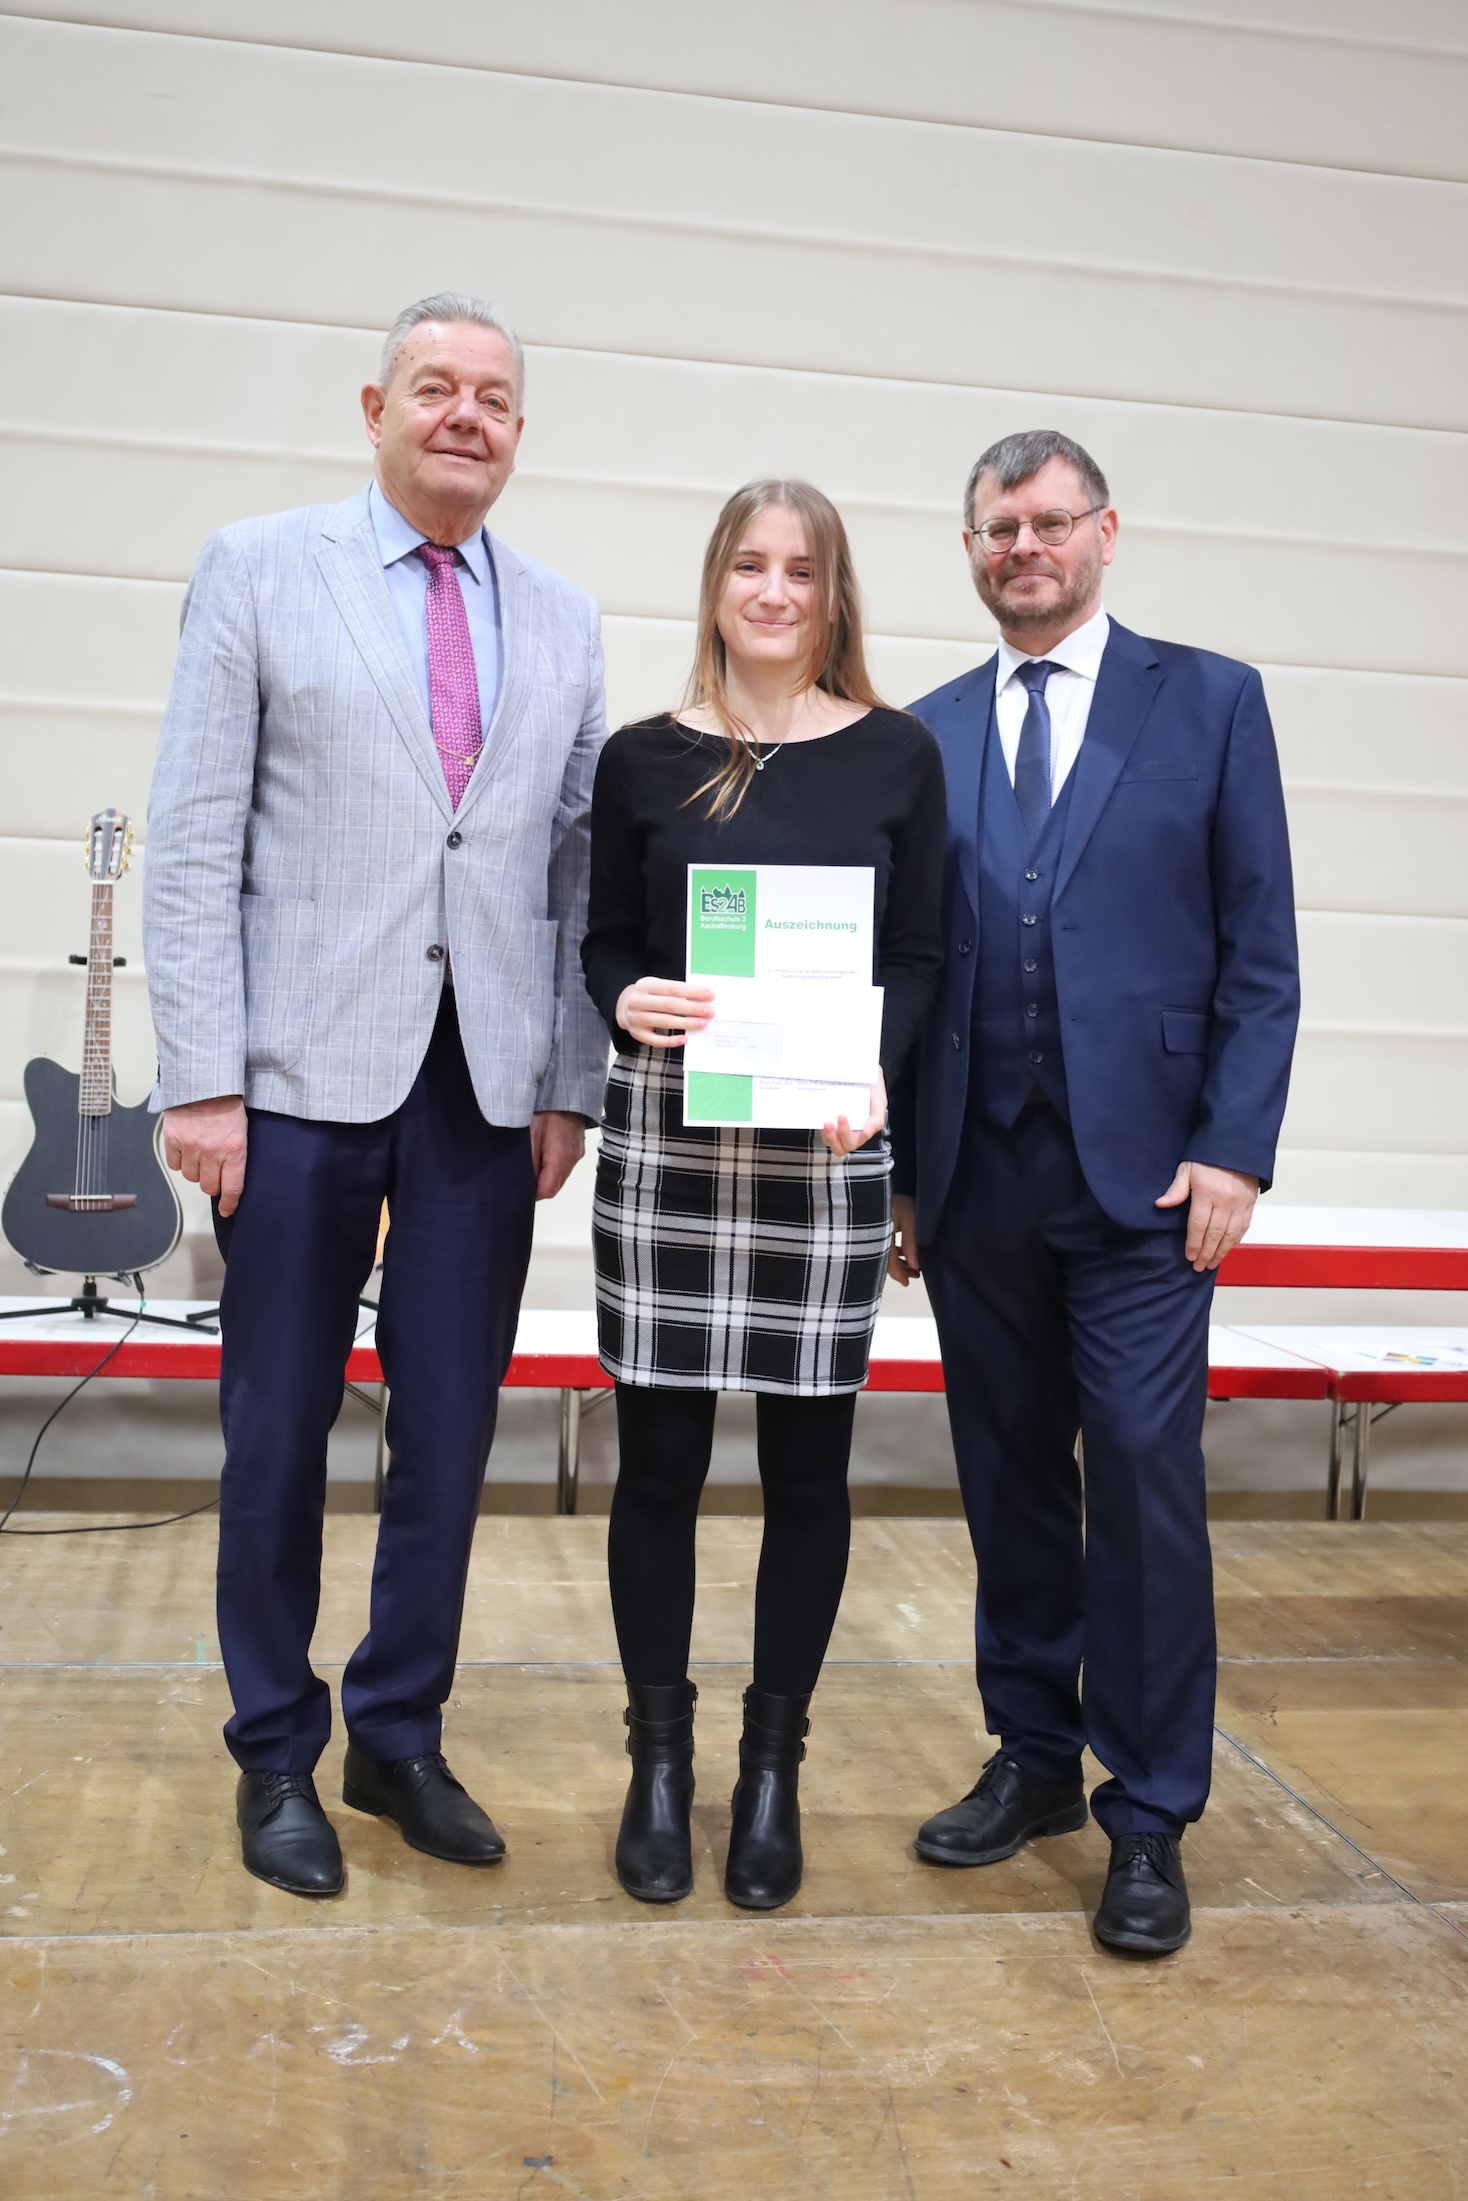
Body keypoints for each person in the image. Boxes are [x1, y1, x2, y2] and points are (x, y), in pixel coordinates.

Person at [144, 292, 608, 1898]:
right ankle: (275, 1747)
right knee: (276, 1426)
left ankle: (397, 1730)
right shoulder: (258, 567)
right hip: (292, 1082)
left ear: (519, 431)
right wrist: (202, 1081)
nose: (464, 414)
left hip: (484, 1088)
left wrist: (566, 1080)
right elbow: (193, 836)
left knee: (453, 1430)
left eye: (493, 395)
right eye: (435, 387)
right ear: (374, 407)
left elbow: (572, 870)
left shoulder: (565, 617)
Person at [889, 430, 1298, 1956]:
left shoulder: (1210, 701)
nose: (1025, 548)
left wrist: (1236, 1146)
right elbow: (906, 974)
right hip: (975, 1171)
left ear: (1105, 533)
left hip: (1150, 1180)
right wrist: (905, 1173)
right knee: (1006, 1476)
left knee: (1138, 1474)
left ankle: (1150, 1811)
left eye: (1051, 522)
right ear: (972, 548)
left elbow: (1261, 948)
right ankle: (1033, 1753)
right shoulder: (924, 733)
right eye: (999, 528)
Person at [581, 479, 945, 1910]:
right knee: (658, 1468)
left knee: (808, 1475)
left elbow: (918, 957)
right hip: (673, 1143)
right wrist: (629, 997)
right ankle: (659, 1765)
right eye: (750, 565)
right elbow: (607, 939)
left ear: (834, 592)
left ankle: (773, 1771)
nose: (775, 591)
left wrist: (875, 1074)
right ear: (716, 585)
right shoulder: (642, 757)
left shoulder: (898, 755)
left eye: (802, 568)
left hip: (829, 1149)